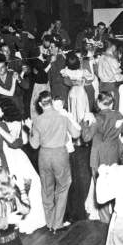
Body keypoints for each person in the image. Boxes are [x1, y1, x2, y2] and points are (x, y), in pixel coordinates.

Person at [0, 100, 47, 234]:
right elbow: (22, 140)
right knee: (18, 189)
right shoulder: (6, 122)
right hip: (11, 156)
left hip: (13, 157)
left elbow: (13, 142)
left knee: (24, 186)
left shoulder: (11, 123)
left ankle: (30, 220)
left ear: (5, 110)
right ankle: (21, 218)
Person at [30, 91, 80, 232]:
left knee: (47, 189)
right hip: (60, 154)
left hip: (44, 155)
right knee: (63, 187)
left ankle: (49, 222)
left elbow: (34, 145)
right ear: (51, 101)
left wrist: (30, 130)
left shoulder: (37, 120)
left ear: (40, 104)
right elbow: (76, 134)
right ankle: (57, 223)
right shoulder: (62, 117)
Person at [82, 91, 123, 222]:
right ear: (112, 103)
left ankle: (105, 219)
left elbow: (86, 138)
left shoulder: (96, 119)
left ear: (98, 103)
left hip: (99, 155)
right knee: (115, 182)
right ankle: (117, 214)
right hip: (115, 152)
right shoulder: (118, 114)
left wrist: (86, 122)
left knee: (101, 185)